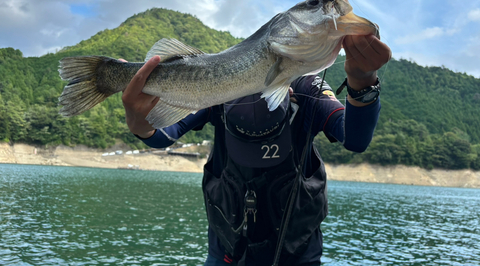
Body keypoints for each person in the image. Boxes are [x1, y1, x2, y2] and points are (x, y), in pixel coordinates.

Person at [122, 34, 391, 265]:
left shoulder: (307, 86)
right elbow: (162, 136)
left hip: (298, 251)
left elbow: (354, 139)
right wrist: (137, 121)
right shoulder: (220, 84)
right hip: (226, 248)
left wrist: (363, 81)